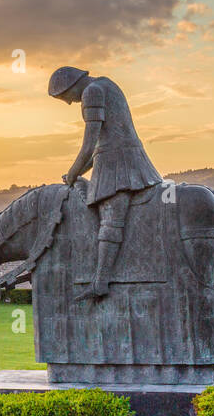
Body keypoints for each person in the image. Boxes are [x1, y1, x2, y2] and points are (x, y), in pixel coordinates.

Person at [48, 66, 163, 301]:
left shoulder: (92, 92)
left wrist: (72, 172)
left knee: (111, 219)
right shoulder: (105, 84)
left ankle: (100, 282)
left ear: (72, 86)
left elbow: (90, 144)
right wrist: (79, 171)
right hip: (117, 158)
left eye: (65, 98)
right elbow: (101, 145)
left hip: (119, 164)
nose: (69, 103)